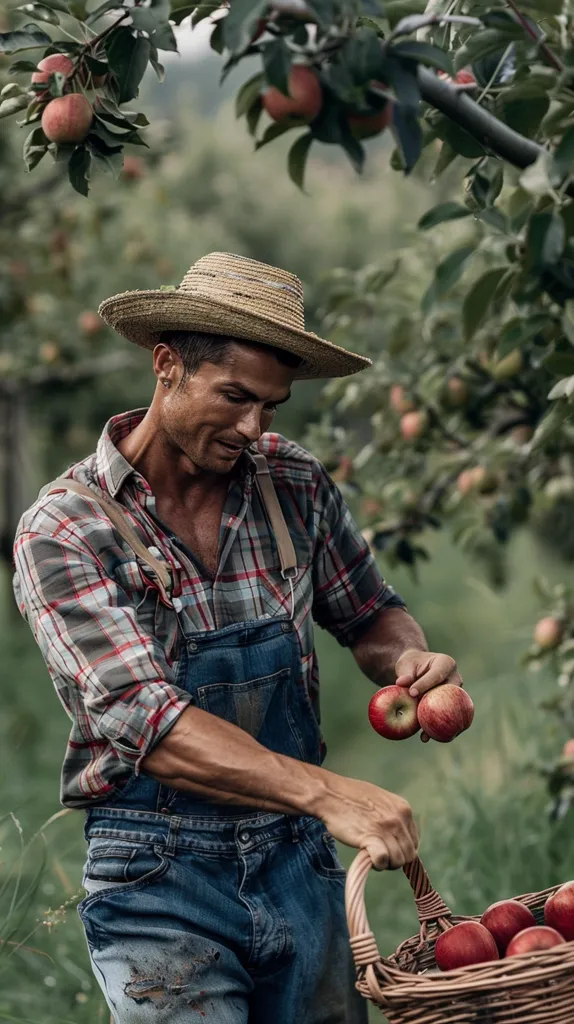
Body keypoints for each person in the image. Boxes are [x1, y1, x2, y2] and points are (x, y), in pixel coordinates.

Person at [13, 252, 463, 1023]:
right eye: (235, 397)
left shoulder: (292, 482)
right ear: (166, 366)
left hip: (297, 864)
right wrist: (329, 793)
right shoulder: (66, 530)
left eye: (272, 406)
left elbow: (368, 612)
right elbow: (146, 723)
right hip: (157, 875)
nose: (254, 427)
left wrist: (407, 657)